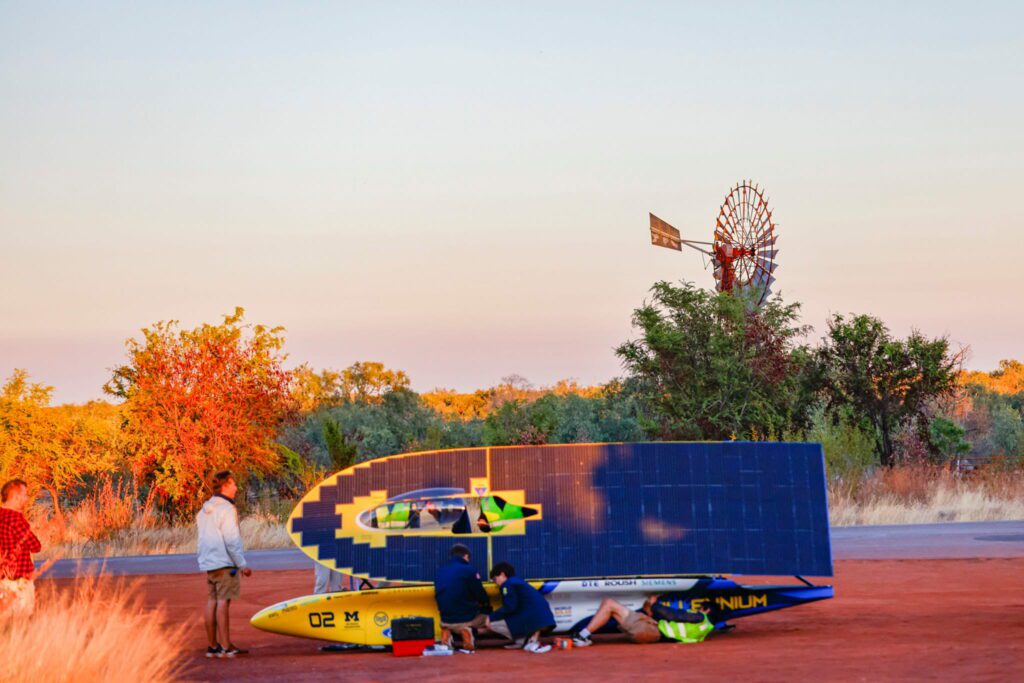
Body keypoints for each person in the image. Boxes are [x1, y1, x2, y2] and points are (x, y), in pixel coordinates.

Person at [197, 470, 251, 658]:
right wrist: (242, 564)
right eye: (233, 484)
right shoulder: (227, 509)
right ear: (225, 485)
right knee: (223, 602)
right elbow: (231, 540)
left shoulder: (205, 509)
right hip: (225, 563)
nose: (236, 487)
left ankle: (213, 646)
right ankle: (226, 646)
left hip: (209, 562)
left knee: (212, 600)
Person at [571, 596, 715, 646]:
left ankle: (582, 636)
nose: (697, 609)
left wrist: (654, 604)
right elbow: (673, 626)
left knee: (609, 603)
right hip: (650, 633)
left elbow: (672, 615)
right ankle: (584, 635)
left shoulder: (701, 617)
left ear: (707, 610)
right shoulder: (704, 631)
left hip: (649, 630)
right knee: (612, 609)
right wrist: (649, 609)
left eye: (701, 607)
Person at [485, 562, 555, 654]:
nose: (496, 583)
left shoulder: (508, 584)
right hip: (544, 620)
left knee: (492, 624)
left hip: (536, 621)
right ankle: (522, 641)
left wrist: (490, 617)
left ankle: (527, 641)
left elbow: (510, 607)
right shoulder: (517, 581)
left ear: (502, 574)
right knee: (512, 618)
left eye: (495, 579)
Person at [434, 543, 490, 652]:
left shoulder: (440, 571)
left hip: (444, 619)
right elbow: (481, 595)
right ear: (466, 556)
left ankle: (447, 631)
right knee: (489, 619)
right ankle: (467, 631)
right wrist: (485, 602)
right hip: (465, 618)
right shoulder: (468, 569)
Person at [0, 479, 42, 619]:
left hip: (3, 578)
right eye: (24, 495)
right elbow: (35, 546)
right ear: (15, 497)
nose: (26, 498)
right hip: (19, 579)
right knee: (22, 619)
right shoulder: (16, 519)